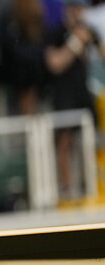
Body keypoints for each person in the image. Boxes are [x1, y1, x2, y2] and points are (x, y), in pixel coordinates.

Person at [44, 0, 105, 197]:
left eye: (81, 10)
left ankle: (91, 185)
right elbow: (54, 64)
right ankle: (67, 188)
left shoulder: (89, 30)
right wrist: (75, 43)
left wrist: (91, 46)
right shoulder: (56, 32)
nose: (77, 14)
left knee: (90, 140)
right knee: (65, 142)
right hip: (63, 94)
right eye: (74, 9)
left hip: (84, 92)